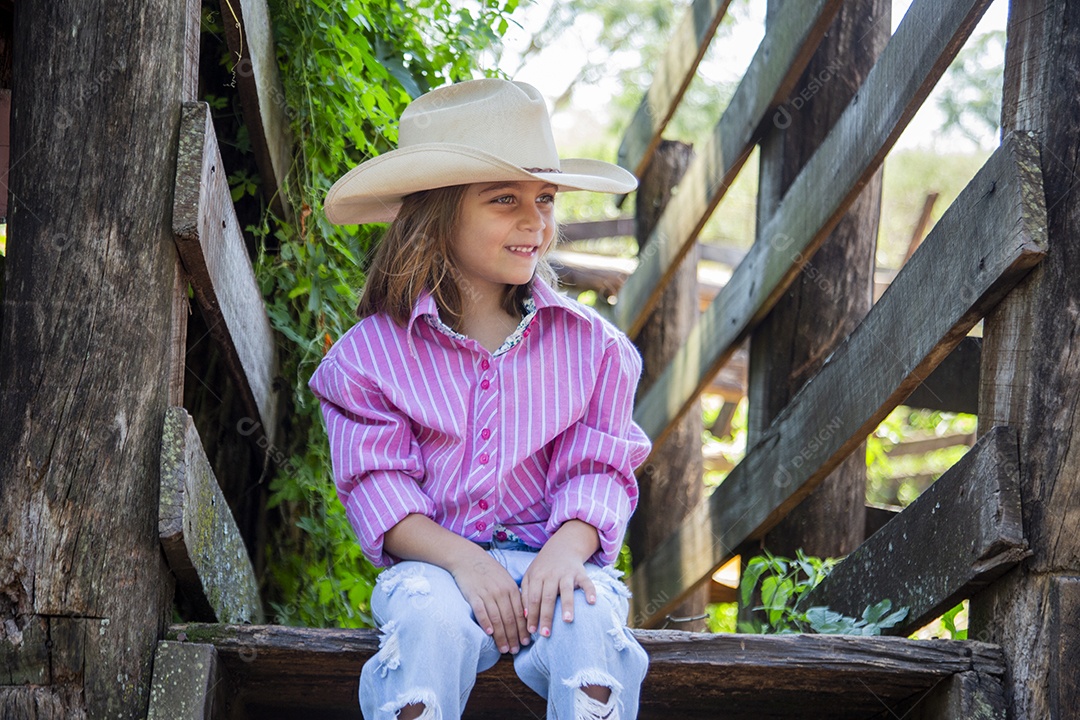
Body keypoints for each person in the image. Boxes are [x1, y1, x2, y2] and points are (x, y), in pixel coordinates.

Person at [308, 77, 652, 720]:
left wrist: (564, 551)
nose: (535, 221)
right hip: (436, 568)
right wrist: (466, 562)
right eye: (504, 199)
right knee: (428, 622)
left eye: (545, 198)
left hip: (553, 559)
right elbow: (378, 488)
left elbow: (599, 469)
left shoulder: (596, 351)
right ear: (438, 213)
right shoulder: (367, 359)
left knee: (592, 617)